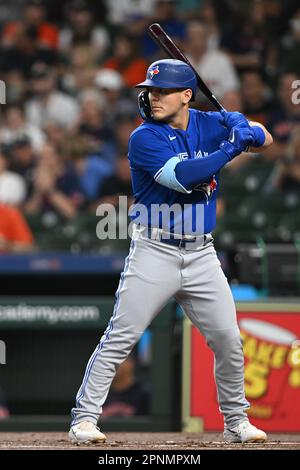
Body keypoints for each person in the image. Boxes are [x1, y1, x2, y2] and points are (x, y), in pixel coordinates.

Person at [69, 59, 273, 444]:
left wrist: (243, 124)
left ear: (186, 96)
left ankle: (236, 422)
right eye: (150, 90)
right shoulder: (144, 137)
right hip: (155, 250)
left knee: (229, 340)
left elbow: (267, 140)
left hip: (201, 254)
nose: (152, 97)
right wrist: (233, 145)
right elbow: (183, 178)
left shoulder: (208, 123)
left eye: (161, 91)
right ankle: (84, 418)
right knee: (121, 336)